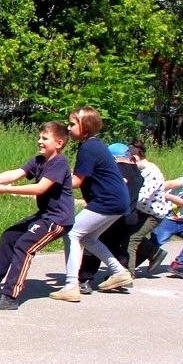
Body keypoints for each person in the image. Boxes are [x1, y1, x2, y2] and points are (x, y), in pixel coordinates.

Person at [0, 121, 75, 311]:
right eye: (39, 137)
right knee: (10, 236)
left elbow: (40, 188)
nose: (39, 141)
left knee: (24, 246)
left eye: (44, 138)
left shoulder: (60, 162)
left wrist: (6, 191)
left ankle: (10, 296)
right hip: (44, 215)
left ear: (59, 143)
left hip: (57, 219)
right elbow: (15, 174)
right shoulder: (39, 160)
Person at [54, 106, 133, 302]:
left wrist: (48, 183)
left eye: (72, 124)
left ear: (86, 126)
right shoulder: (93, 145)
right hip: (118, 201)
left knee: (71, 232)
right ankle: (119, 271)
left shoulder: (89, 147)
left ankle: (71, 285)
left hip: (107, 201)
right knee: (88, 238)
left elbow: (77, 181)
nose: (69, 128)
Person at [76, 142, 143, 294]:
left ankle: (85, 280)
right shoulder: (137, 173)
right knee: (117, 246)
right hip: (130, 216)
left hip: (111, 214)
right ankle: (121, 274)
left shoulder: (115, 170)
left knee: (92, 244)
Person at [126, 141, 171, 273]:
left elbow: (142, 197)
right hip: (140, 210)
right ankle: (154, 252)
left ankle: (128, 274)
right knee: (122, 233)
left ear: (135, 158)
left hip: (153, 214)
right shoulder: (137, 170)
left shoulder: (152, 172)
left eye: (128, 161)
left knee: (132, 239)